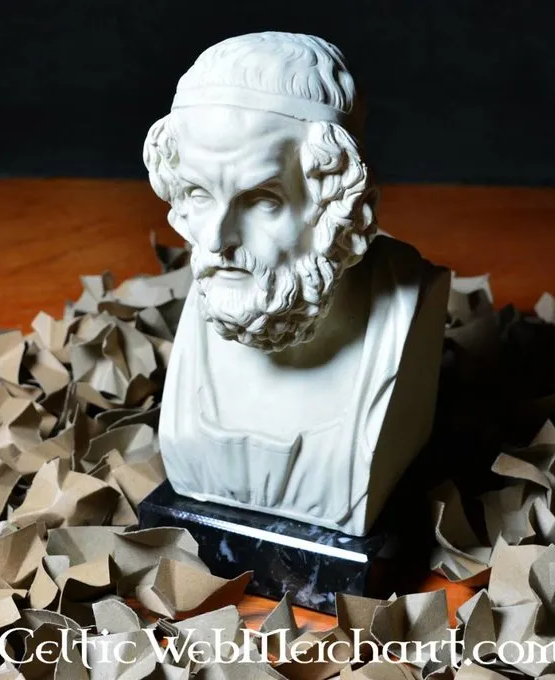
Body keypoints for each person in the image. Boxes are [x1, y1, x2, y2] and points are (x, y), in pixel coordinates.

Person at [144, 32, 449, 536]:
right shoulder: (219, 291)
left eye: (262, 200)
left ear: (336, 206)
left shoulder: (406, 304)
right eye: (198, 194)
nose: (217, 239)